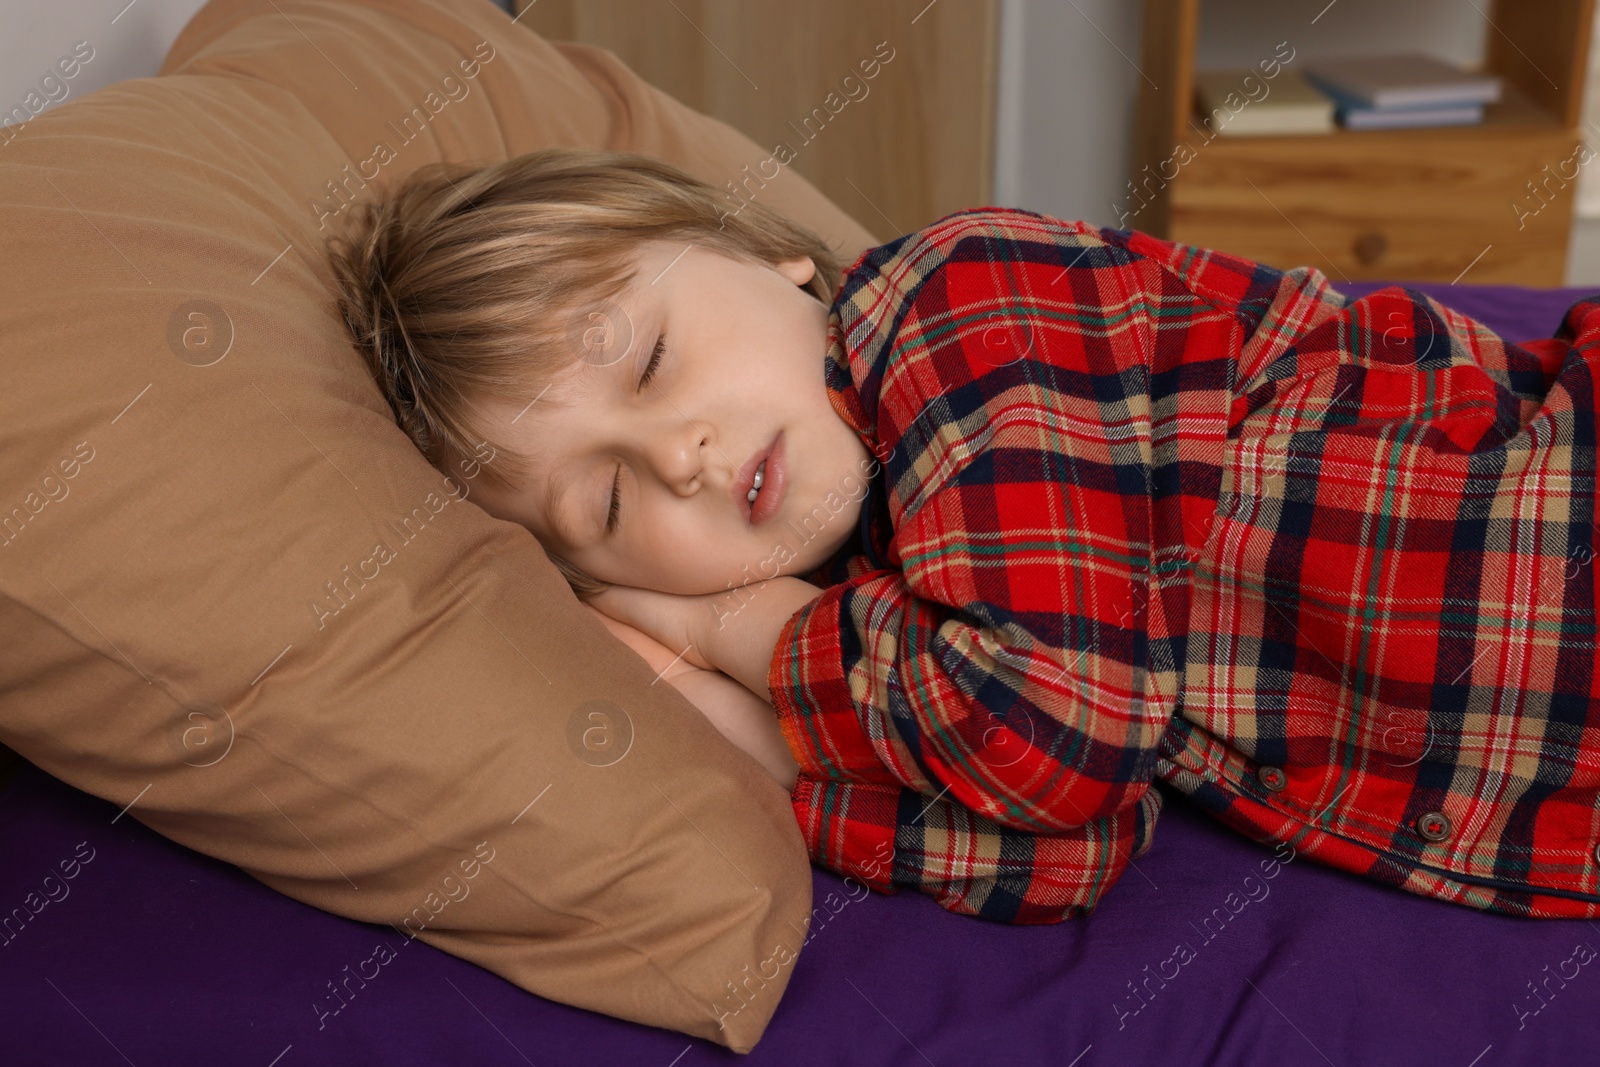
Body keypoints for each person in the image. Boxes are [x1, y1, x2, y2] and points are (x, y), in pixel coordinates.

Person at [327, 146, 1600, 923]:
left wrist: (731, 628)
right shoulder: (902, 638)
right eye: (606, 506)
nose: (678, 456)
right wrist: (755, 744)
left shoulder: (958, 302)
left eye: (654, 356)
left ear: (775, 257)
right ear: (596, 581)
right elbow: (1069, 852)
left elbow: (1059, 737)